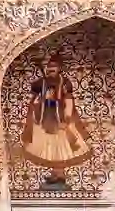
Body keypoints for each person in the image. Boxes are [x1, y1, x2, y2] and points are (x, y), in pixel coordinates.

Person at [19, 53, 92, 188]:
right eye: (48, 67)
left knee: (61, 147)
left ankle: (60, 174)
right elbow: (35, 100)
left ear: (59, 68)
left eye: (53, 67)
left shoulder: (64, 83)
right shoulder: (41, 83)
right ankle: (55, 173)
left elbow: (69, 101)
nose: (50, 70)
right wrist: (42, 100)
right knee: (49, 147)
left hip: (60, 119)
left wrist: (67, 118)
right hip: (45, 118)